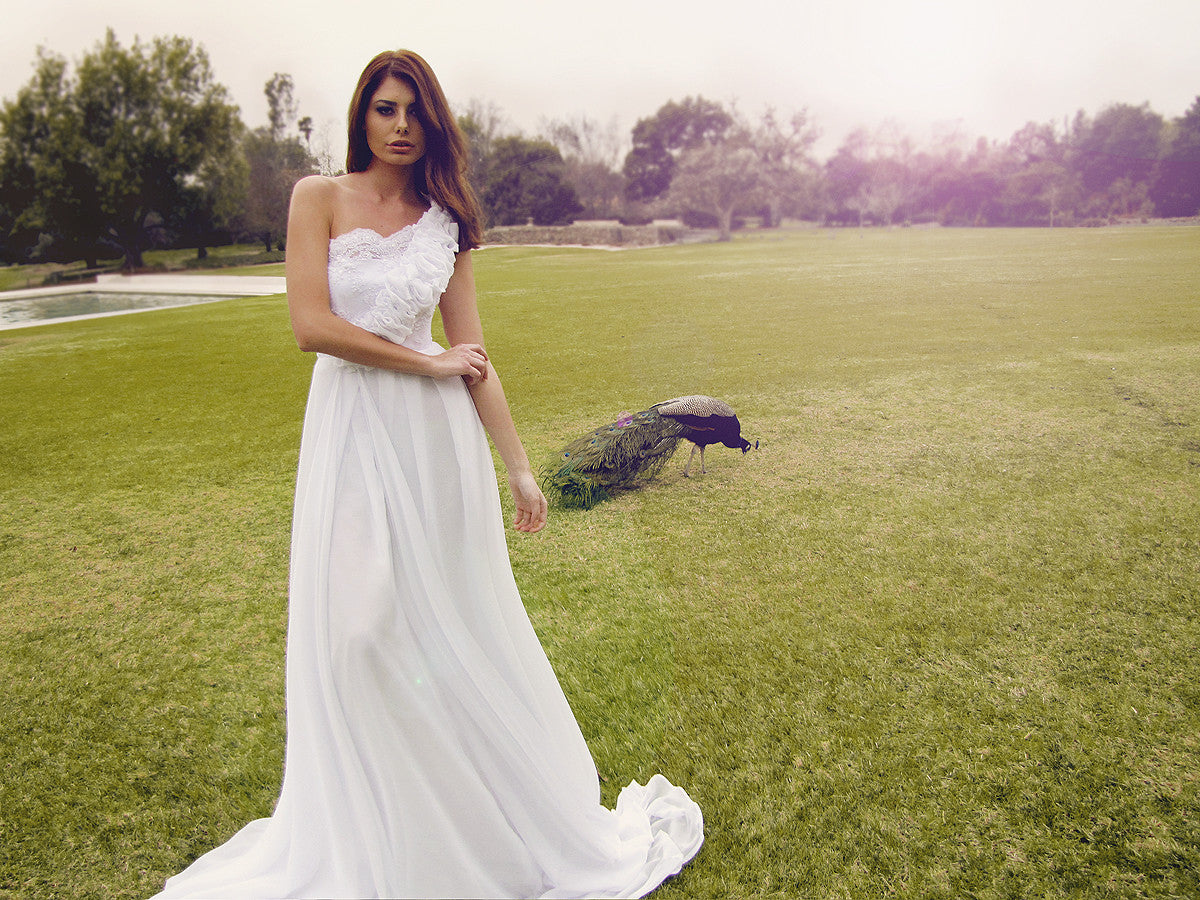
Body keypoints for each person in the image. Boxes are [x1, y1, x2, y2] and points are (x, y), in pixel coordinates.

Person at [153, 49, 703, 899]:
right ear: (362, 116)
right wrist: (427, 365)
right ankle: (385, 829)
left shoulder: (447, 221)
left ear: (433, 120)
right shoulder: (316, 198)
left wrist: (519, 471)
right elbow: (311, 326)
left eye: (414, 109)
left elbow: (475, 356)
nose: (400, 124)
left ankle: (472, 827)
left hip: (432, 445)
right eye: (384, 108)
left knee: (445, 630)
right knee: (362, 631)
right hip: (351, 430)